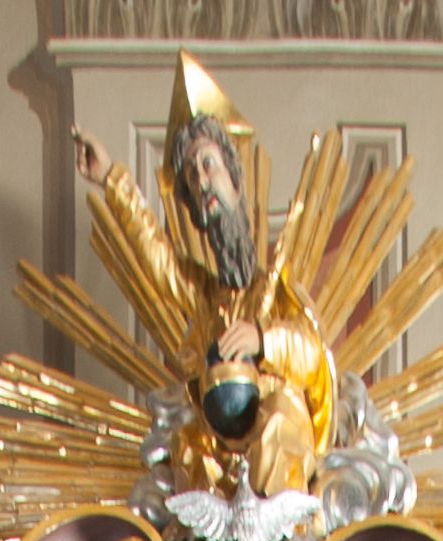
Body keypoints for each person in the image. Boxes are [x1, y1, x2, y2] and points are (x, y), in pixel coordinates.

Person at [71, 63, 333, 498]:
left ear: (235, 181)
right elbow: (156, 259)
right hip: (222, 444)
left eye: (208, 165)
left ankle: (274, 537)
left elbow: (311, 355)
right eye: (192, 177)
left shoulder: (279, 290)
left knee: (276, 424)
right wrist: (111, 179)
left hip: (276, 443)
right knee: (188, 444)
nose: (202, 181)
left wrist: (263, 339)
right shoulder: (207, 298)